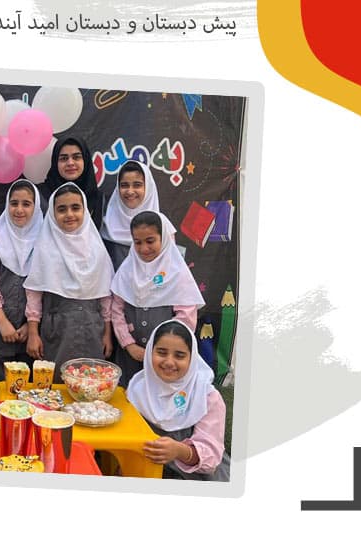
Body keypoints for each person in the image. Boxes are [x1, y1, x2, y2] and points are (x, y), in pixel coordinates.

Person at [23, 183, 114, 379]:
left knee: (91, 385)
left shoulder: (97, 250)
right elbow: (34, 295)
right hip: (56, 330)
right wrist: (33, 333)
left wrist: (107, 333)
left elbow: (106, 297)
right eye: (62, 209)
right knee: (55, 383)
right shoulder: (45, 249)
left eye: (75, 207)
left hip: (93, 330)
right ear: (52, 213)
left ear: (85, 211)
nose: (69, 214)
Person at [126, 319, 230, 481]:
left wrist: (180, 451)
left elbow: (211, 459)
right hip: (148, 472)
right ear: (150, 353)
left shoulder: (207, 397)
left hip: (198, 480)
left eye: (179, 356)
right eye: (161, 352)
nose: (169, 362)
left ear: (192, 359)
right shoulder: (137, 390)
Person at [110, 211, 204, 387]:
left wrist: (161, 350)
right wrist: (129, 345)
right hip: (131, 356)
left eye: (150, 241)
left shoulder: (178, 273)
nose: (144, 248)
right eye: (138, 242)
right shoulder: (127, 271)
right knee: (130, 394)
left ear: (164, 238)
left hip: (165, 359)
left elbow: (185, 319)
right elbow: (116, 311)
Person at [0, 179, 43, 382]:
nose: (19, 210)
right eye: (14, 203)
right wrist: (3, 323)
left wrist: (30, 326)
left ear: (36, 207)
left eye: (26, 204)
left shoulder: (45, 242)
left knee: (28, 391)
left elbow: (45, 288)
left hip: (31, 335)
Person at [100, 160, 160, 270]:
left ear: (148, 188)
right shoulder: (104, 228)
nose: (130, 191)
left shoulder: (163, 229)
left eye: (137, 185)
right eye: (124, 185)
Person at [42, 136, 104, 230]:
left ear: (85, 160)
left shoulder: (99, 199)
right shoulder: (40, 196)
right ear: (55, 162)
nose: (70, 163)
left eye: (76, 157)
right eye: (64, 158)